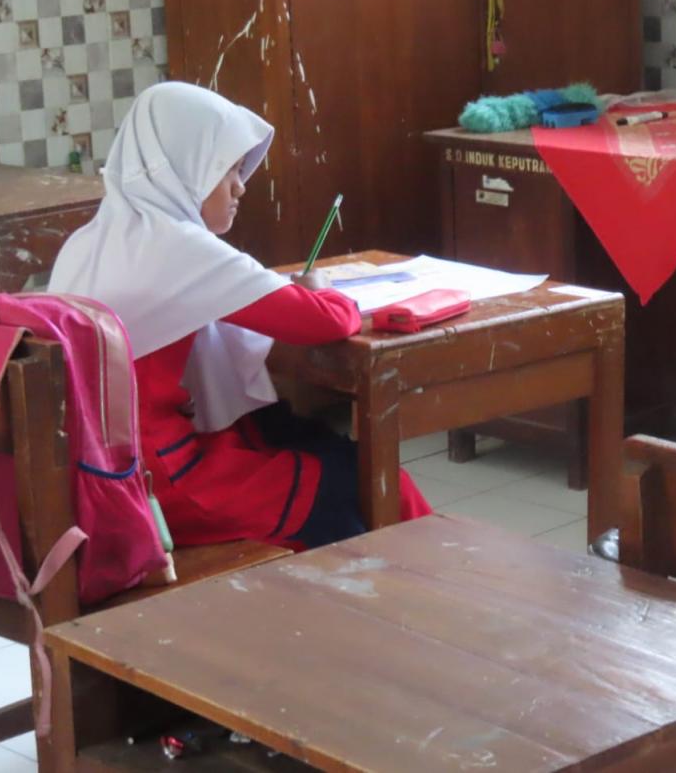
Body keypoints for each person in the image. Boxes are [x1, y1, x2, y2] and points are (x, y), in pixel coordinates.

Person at [49, 81, 431, 549]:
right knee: (352, 485)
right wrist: (326, 291)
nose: (240, 185)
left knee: (319, 449)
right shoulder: (177, 246)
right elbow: (324, 321)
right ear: (184, 169)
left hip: (103, 470)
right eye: (226, 168)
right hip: (161, 483)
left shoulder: (90, 240)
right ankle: (424, 589)